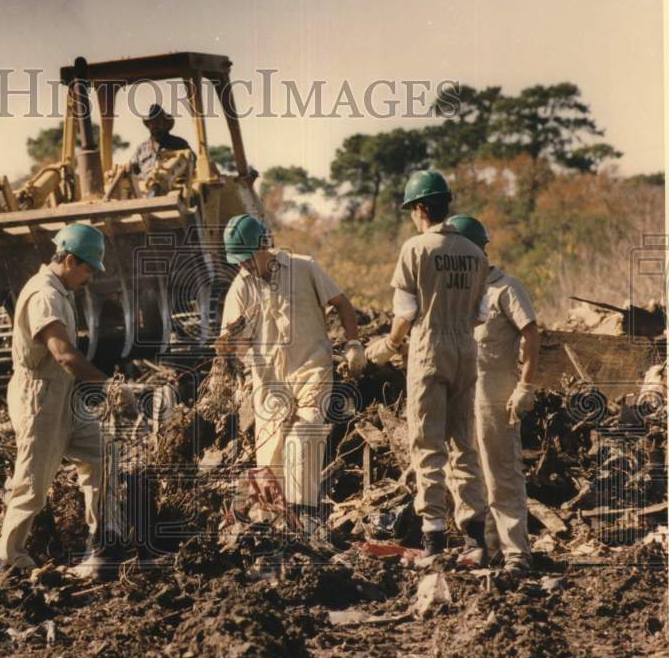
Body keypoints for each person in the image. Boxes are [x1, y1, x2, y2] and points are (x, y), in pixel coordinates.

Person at [215, 214, 366, 543]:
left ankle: (307, 521)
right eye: (237, 262)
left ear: (262, 247)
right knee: (270, 459)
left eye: (246, 259)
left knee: (304, 440)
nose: (244, 267)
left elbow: (342, 304)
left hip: (311, 369)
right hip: (269, 382)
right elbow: (230, 342)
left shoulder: (303, 267)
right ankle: (273, 531)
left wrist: (353, 344)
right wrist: (231, 348)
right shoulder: (241, 286)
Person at [0, 223, 132, 579]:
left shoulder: (60, 291)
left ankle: (104, 543)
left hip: (63, 396)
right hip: (40, 397)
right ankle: (8, 560)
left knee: (100, 456)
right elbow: (64, 354)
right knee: (32, 483)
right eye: (88, 269)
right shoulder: (45, 295)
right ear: (71, 260)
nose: (90, 278)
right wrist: (111, 387)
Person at [365, 170, 489, 560]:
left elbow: (405, 314)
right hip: (467, 351)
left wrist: (387, 345)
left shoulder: (415, 249)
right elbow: (482, 314)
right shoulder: (474, 252)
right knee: (463, 444)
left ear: (420, 208)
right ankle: (475, 538)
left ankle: (434, 537)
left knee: (427, 443)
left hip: (429, 349)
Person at [446, 214, 540, 578]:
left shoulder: (505, 288)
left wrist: (525, 386)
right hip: (462, 392)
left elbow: (531, 334)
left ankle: (516, 551)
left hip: (495, 392)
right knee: (466, 471)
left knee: (501, 471)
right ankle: (481, 546)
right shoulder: (458, 291)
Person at [129, 104, 196, 178]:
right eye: (152, 122)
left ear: (165, 123)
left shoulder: (179, 144)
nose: (155, 125)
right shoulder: (141, 148)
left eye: (158, 121)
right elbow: (132, 169)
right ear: (148, 125)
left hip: (173, 186)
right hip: (144, 186)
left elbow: (192, 161)